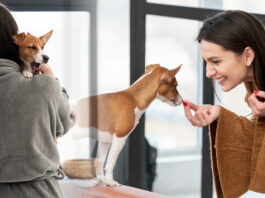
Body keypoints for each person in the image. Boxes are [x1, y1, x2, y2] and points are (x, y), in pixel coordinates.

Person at [183, 10, 265, 198]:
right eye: (206, 62)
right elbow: (261, 135)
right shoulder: (256, 82)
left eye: (216, 62)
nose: (208, 72)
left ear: (247, 55)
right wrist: (219, 114)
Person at [0, 3, 75, 198]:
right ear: (12, 39)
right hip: (38, 192)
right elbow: (67, 120)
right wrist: (52, 79)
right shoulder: (44, 84)